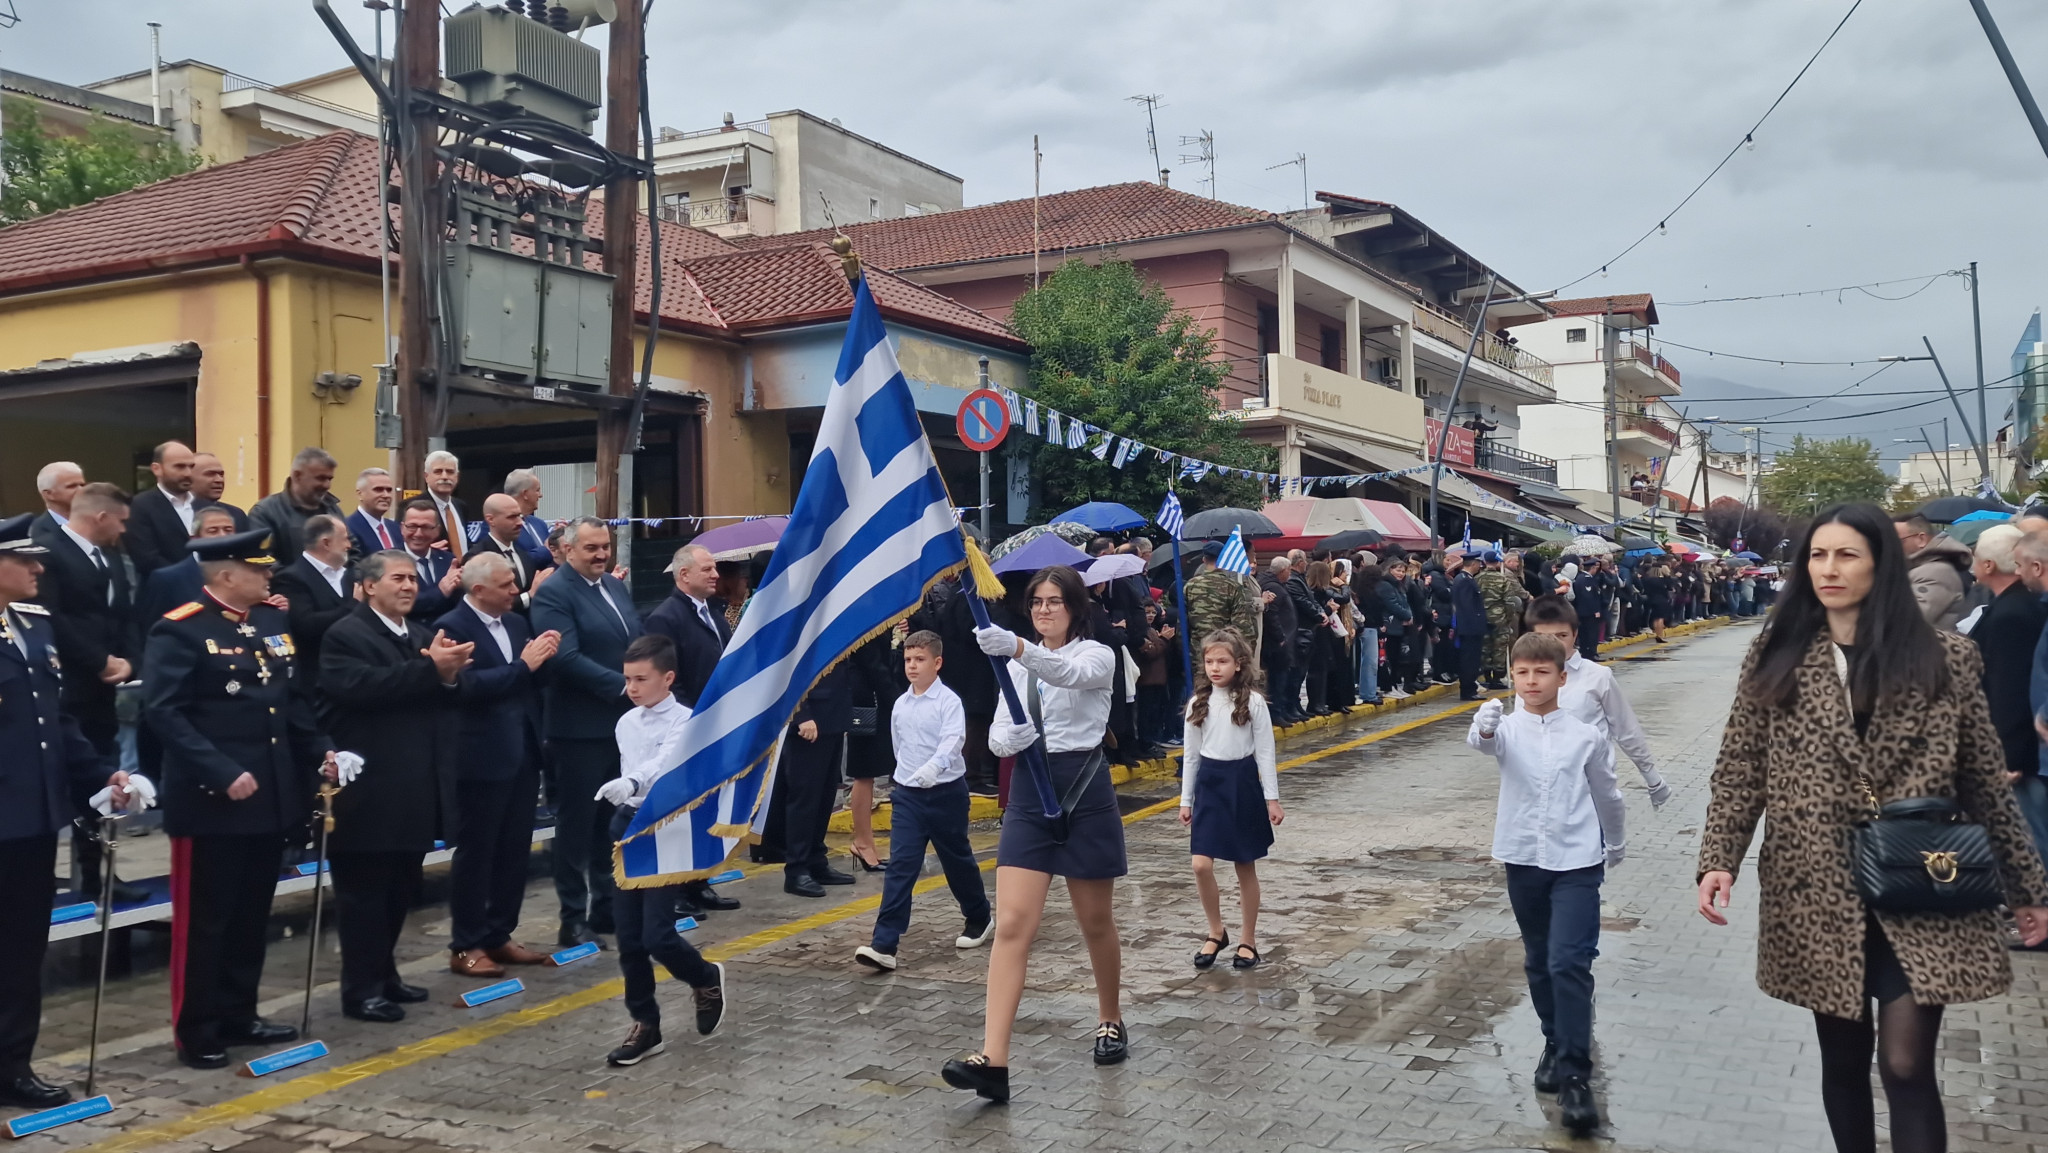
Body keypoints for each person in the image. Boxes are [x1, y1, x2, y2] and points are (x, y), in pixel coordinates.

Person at [1698, 503, 2048, 1153]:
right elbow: (1742, 763)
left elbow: (1981, 779)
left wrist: (2027, 888)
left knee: (1907, 1064)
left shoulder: (1946, 657)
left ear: (1882, 562)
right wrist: (1720, 855)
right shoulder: (1777, 654)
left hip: (1921, 877)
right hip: (1816, 886)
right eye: (1818, 555)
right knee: (1843, 1059)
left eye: (1847, 554)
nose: (1829, 568)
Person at [146, 529, 336, 1068]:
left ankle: (239, 1011)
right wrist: (221, 770)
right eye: (258, 569)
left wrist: (320, 750)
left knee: (252, 913)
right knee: (207, 919)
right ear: (226, 575)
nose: (269, 575)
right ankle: (197, 1027)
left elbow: (290, 703)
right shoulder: (180, 629)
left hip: (269, 793)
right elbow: (164, 712)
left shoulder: (271, 622)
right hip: (212, 799)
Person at [943, 566, 1126, 1103]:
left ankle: (1110, 1018)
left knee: (1094, 922)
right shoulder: (1015, 664)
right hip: (1029, 791)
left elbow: (1066, 676)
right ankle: (993, 1059)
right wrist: (1007, 739)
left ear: (1075, 607)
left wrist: (1016, 648)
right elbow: (1000, 728)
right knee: (1013, 925)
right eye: (1037, 602)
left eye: (1056, 601)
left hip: (1083, 789)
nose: (1045, 609)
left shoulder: (1097, 654)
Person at [0, 515, 139, 1108]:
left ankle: (11, 1067)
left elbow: (54, 721)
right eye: (26, 560)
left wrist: (97, 773)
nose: (38, 569)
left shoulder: (30, 625)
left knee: (22, 949)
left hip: (31, 819)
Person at [1470, 632, 1623, 1137]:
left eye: (1542, 672)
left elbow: (1607, 793)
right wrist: (1483, 725)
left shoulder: (1584, 735)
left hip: (1577, 861)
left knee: (1568, 961)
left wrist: (1616, 844)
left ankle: (1577, 1074)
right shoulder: (1507, 729)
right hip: (1523, 860)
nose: (1531, 682)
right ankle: (1554, 1041)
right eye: (1522, 673)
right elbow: (1483, 743)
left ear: (1562, 677)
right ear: (1512, 676)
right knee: (1538, 958)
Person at [318, 549, 469, 1022]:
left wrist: (448, 676)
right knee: (363, 894)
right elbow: (362, 687)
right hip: (370, 788)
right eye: (397, 579)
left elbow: (443, 697)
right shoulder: (346, 635)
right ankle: (360, 990)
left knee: (401, 887)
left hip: (414, 785)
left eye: (411, 579)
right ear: (367, 587)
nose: (408, 586)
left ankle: (385, 975)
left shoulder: (423, 635)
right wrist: (432, 671)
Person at [590, 635, 728, 1066]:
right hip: (628, 825)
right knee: (629, 938)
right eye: (628, 678)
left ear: (667, 678)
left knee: (658, 934)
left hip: (666, 827)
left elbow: (667, 763)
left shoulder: (688, 721)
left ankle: (704, 977)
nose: (632, 687)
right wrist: (626, 792)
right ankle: (646, 1024)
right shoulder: (626, 723)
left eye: (641, 679)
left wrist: (633, 783)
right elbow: (632, 763)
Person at [436, 551, 559, 977]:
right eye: (507, 585)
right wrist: (522, 665)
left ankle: (499, 933)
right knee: (478, 852)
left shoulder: (515, 622)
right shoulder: (452, 628)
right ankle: (466, 943)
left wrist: (544, 657)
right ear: (478, 590)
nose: (515, 591)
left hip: (522, 751)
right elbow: (465, 688)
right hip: (480, 757)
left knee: (513, 851)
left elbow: (530, 681)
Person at [853, 630, 992, 971]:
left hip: (945, 793)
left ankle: (979, 916)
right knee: (901, 867)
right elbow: (900, 746)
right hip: (909, 796)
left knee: (957, 860)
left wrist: (934, 768)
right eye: (907, 660)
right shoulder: (900, 704)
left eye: (919, 660)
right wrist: (909, 777)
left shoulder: (949, 703)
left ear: (937, 662)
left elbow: (952, 740)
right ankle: (884, 944)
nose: (912, 667)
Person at [32, 481, 143, 902]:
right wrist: (99, 661)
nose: (123, 530)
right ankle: (65, 878)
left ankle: (99, 875)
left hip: (103, 692)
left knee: (100, 782)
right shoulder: (48, 552)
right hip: (67, 689)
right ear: (100, 516)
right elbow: (52, 618)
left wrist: (129, 661)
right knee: (63, 784)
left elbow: (125, 614)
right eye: (120, 521)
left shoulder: (111, 556)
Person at [1179, 627, 1281, 971]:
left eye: (1222, 661)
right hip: (1209, 784)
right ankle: (1215, 930)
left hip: (1242, 783)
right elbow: (1191, 755)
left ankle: (1248, 939)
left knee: (1244, 865)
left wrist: (1272, 799)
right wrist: (1185, 800)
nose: (1215, 668)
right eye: (1209, 661)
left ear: (1238, 664)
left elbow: (1265, 751)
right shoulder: (1198, 703)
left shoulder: (1252, 702)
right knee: (1200, 864)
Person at [1517, 596, 1671, 808]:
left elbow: (1626, 729)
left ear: (1575, 634)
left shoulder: (1598, 676)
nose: (1554, 645)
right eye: (1544, 637)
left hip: (1591, 791)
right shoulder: (1526, 682)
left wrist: (1652, 777)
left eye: (1561, 636)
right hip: (1540, 792)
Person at [1966, 527, 2048, 856]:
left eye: (2021, 564)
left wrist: (2007, 754)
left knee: (2032, 838)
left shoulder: (2011, 614)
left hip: (2024, 754)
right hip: (2032, 747)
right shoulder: (2023, 606)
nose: (2018, 571)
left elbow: (2009, 688)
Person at [779, 661, 855, 897]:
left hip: (833, 714)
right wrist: (800, 713)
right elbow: (787, 667)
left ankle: (815, 860)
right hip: (809, 718)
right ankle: (796, 869)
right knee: (805, 798)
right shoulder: (800, 623)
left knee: (824, 797)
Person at [269, 514, 357, 694]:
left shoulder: (352, 575)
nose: (349, 545)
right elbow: (307, 625)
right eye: (345, 539)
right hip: (317, 680)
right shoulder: (291, 578)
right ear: (326, 543)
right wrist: (354, 605)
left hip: (354, 673)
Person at [844, 628, 907, 872]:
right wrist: (896, 697)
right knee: (863, 771)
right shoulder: (865, 619)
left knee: (869, 771)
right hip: (868, 700)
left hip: (878, 698)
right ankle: (862, 841)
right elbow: (871, 662)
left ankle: (865, 842)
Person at [643, 544, 728, 709]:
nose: (716, 575)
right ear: (684, 574)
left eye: (715, 569)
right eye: (707, 569)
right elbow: (668, 681)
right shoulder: (663, 619)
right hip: (693, 720)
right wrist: (688, 719)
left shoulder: (715, 612)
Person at [138, 506, 242, 623]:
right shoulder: (168, 579)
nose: (223, 536)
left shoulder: (246, 574)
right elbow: (152, 626)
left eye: (228, 530)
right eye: (213, 531)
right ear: (195, 538)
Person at [248, 447, 343, 567]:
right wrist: (299, 581)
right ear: (297, 476)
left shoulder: (333, 509)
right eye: (321, 478)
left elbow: (351, 551)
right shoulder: (265, 512)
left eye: (330, 479)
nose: (327, 485)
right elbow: (262, 560)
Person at [125, 440, 202, 579]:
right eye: (179, 467)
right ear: (156, 469)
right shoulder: (140, 506)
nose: (188, 473)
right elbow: (146, 558)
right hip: (166, 592)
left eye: (191, 467)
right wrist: (192, 578)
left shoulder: (204, 505)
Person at [467, 493, 549, 611]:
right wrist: (529, 596)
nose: (520, 522)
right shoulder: (477, 558)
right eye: (512, 517)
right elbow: (484, 605)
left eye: (520, 516)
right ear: (491, 519)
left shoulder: (523, 555)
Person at [1892, 513, 1971, 632]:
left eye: (1896, 541)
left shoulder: (1936, 572)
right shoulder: (1924, 568)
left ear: (1921, 539)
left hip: (1927, 649)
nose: (1891, 546)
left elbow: (1907, 620)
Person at [395, 499, 462, 623]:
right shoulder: (389, 562)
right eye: (412, 526)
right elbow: (399, 603)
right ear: (402, 528)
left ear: (437, 530)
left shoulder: (448, 560)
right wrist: (440, 591)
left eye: (426, 527)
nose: (419, 533)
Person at [1184, 541, 1257, 644]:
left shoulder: (1190, 586)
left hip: (1197, 649)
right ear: (1224, 560)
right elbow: (1242, 625)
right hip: (1224, 649)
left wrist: (1182, 650)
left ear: (1204, 560)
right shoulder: (1233, 587)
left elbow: (1182, 622)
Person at [1257, 557, 1302, 723]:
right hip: (1277, 644)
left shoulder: (1276, 585)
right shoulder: (1272, 587)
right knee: (1277, 680)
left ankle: (1281, 710)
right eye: (1289, 570)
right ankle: (1275, 712)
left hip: (1281, 641)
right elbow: (1271, 614)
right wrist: (1280, 637)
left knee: (1280, 678)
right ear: (1283, 571)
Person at [1477, 550, 1526, 690]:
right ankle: (1497, 678)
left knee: (1485, 647)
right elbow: (1509, 602)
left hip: (1483, 617)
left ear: (1485, 562)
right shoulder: (1502, 579)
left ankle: (1487, 676)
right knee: (1499, 648)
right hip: (1500, 617)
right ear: (1498, 562)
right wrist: (1509, 618)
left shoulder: (1477, 578)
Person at [502, 469, 557, 572]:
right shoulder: (498, 524)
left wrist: (556, 538)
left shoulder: (539, 524)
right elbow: (508, 563)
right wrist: (545, 550)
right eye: (537, 490)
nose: (540, 495)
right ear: (525, 494)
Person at [1451, 554, 1489, 700]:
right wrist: (1476, 626)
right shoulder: (1464, 581)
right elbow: (1467, 606)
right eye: (1478, 563)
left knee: (1472, 660)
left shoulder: (1466, 579)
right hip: (1469, 628)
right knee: (1469, 660)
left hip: (1471, 627)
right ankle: (1468, 690)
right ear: (1473, 564)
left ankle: (1470, 688)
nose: (1480, 566)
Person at [424, 450, 470, 560]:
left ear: (457, 476)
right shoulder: (411, 506)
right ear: (426, 476)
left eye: (450, 472)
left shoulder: (461, 506)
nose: (444, 476)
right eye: (438, 471)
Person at [347, 467, 401, 558]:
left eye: (389, 490)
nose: (386, 495)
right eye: (378, 490)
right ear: (360, 494)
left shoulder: (396, 528)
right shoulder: (347, 529)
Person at [189, 453, 248, 530]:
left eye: (221, 474)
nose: (219, 480)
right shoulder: (174, 514)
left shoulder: (236, 514)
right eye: (210, 474)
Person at [31, 461, 84, 533]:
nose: (81, 490)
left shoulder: (98, 523)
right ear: (49, 494)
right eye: (72, 486)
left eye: (82, 485)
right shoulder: (36, 531)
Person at [1639, 561, 1673, 643]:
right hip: (1662, 600)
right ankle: (1660, 635)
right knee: (1660, 618)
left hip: (1651, 599)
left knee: (1655, 618)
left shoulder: (1646, 579)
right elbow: (1670, 587)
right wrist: (1667, 575)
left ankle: (1656, 633)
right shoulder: (1663, 580)